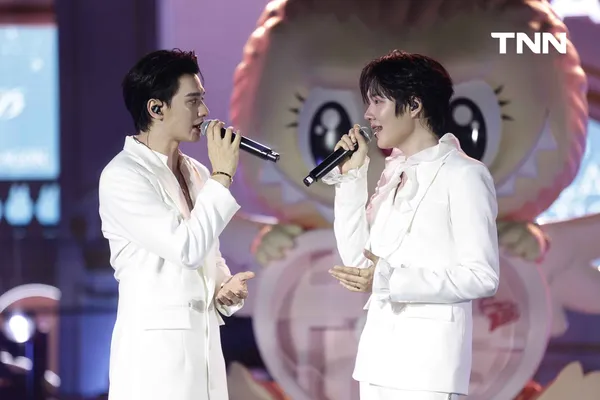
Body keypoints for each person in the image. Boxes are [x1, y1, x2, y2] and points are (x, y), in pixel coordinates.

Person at [323, 50, 500, 400]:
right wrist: (351, 178)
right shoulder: (394, 173)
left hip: (430, 368)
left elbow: (482, 276)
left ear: (414, 104)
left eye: (378, 101)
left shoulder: (464, 174)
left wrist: (390, 280)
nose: (368, 114)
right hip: (377, 363)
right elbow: (359, 262)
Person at [98, 49, 255, 400]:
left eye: (203, 99)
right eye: (193, 101)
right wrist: (224, 173)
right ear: (157, 108)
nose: (205, 111)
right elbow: (186, 248)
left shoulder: (196, 172)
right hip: (156, 363)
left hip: (204, 353)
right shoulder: (123, 175)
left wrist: (224, 288)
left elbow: (208, 254)